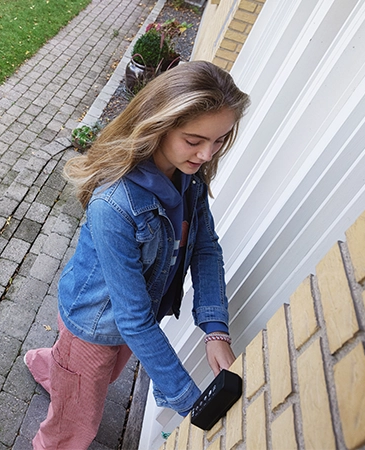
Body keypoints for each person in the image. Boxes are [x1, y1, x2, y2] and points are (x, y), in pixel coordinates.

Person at [24, 61, 250, 449]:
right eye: (194, 140)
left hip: (134, 320)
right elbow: (132, 317)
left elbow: (206, 248)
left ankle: (56, 369)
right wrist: (186, 398)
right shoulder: (113, 205)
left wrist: (215, 328)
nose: (207, 155)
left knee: (100, 377)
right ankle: (63, 390)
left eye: (218, 141)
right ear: (158, 124)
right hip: (95, 325)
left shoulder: (188, 178)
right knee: (75, 427)